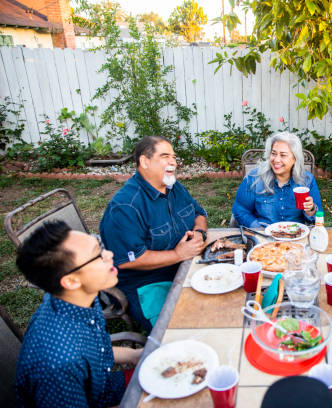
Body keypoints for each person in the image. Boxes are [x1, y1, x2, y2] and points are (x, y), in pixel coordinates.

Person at [14, 220, 142, 408]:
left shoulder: (78, 298)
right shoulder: (58, 364)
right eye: (97, 255)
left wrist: (137, 355)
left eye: (100, 245)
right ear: (71, 281)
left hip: (104, 387)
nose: (109, 254)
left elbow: (98, 351)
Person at [100, 136, 208, 332]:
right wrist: (178, 255)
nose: (173, 162)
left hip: (185, 266)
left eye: (174, 157)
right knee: (180, 331)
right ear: (145, 162)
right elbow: (127, 260)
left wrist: (200, 233)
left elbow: (199, 213)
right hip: (147, 283)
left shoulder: (173, 187)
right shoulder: (126, 206)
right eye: (165, 156)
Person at [232, 132, 323, 227]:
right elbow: (240, 211)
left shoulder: (306, 180)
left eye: (283, 155)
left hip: (295, 235)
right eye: (273, 153)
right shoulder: (254, 178)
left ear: (294, 158)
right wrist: (260, 230)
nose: (276, 160)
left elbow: (317, 216)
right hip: (262, 236)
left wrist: (311, 210)